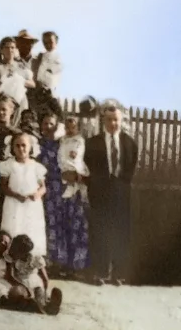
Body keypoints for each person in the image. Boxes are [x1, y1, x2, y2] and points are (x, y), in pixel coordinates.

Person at [85, 100, 138, 286]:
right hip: (99, 193)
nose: (113, 124)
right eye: (109, 120)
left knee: (120, 232)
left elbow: (130, 167)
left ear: (121, 121)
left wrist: (120, 183)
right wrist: (98, 185)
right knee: (100, 231)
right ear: (103, 121)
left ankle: (118, 273)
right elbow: (89, 167)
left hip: (121, 193)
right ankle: (100, 272)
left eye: (116, 120)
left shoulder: (130, 143)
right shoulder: (92, 143)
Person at [39, 112, 89, 279]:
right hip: (50, 192)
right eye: (44, 123)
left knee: (73, 225)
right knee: (54, 226)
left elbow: (80, 163)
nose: (48, 127)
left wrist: (77, 176)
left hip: (69, 190)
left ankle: (74, 265)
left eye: (51, 123)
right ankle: (55, 263)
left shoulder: (69, 143)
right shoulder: (38, 145)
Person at [0, 133, 47, 256]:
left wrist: (37, 194)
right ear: (12, 148)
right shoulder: (8, 165)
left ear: (30, 147)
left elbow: (43, 187)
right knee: (14, 228)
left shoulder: (36, 166)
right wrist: (16, 195)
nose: (21, 149)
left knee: (31, 229)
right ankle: (12, 260)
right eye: (17, 146)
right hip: (14, 203)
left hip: (32, 205)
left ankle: (31, 260)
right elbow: (3, 186)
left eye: (24, 145)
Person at [4, 234, 62, 315]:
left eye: (17, 251)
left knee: (38, 290)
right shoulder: (10, 257)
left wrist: (45, 291)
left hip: (33, 280)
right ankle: (33, 304)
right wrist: (24, 288)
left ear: (24, 253)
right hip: (18, 281)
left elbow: (45, 278)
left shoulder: (34, 258)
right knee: (17, 293)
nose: (13, 252)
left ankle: (47, 306)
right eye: (12, 249)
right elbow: (9, 276)